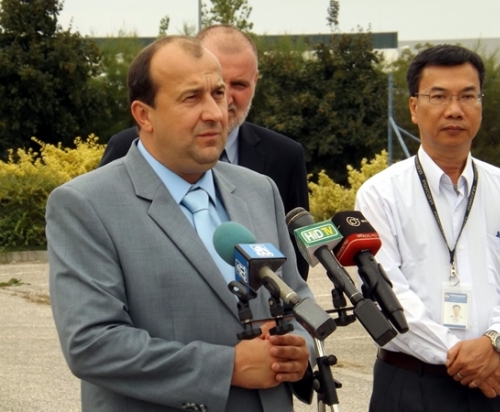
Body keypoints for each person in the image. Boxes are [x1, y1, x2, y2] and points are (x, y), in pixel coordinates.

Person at [46, 35, 314, 412]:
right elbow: (92, 343)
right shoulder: (85, 204)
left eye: (218, 94)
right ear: (144, 115)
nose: (215, 113)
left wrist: (299, 349)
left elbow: (297, 297)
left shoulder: (260, 190)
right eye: (191, 98)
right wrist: (226, 368)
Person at [355, 44, 500, 412]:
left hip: (499, 383)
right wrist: (463, 358)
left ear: (480, 104)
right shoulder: (380, 195)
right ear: (414, 107)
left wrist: (494, 343)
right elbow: (387, 292)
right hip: (412, 385)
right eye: (439, 96)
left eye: (467, 96)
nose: (454, 109)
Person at [99, 25, 310, 280]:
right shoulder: (120, 158)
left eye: (225, 89)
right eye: (192, 96)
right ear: (144, 115)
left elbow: (294, 276)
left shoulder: (273, 175)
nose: (220, 107)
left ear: (255, 80)